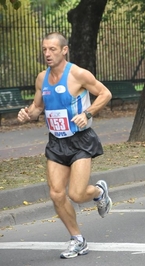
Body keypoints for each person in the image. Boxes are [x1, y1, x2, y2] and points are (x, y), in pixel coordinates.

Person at [17, 32, 113, 259]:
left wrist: (87, 112)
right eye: (44, 50)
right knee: (57, 193)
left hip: (80, 141)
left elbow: (105, 93)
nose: (47, 54)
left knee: (77, 194)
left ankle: (99, 192)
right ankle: (77, 239)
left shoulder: (78, 74)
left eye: (52, 49)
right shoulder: (42, 78)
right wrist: (27, 114)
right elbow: (38, 107)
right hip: (56, 142)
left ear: (64, 50)